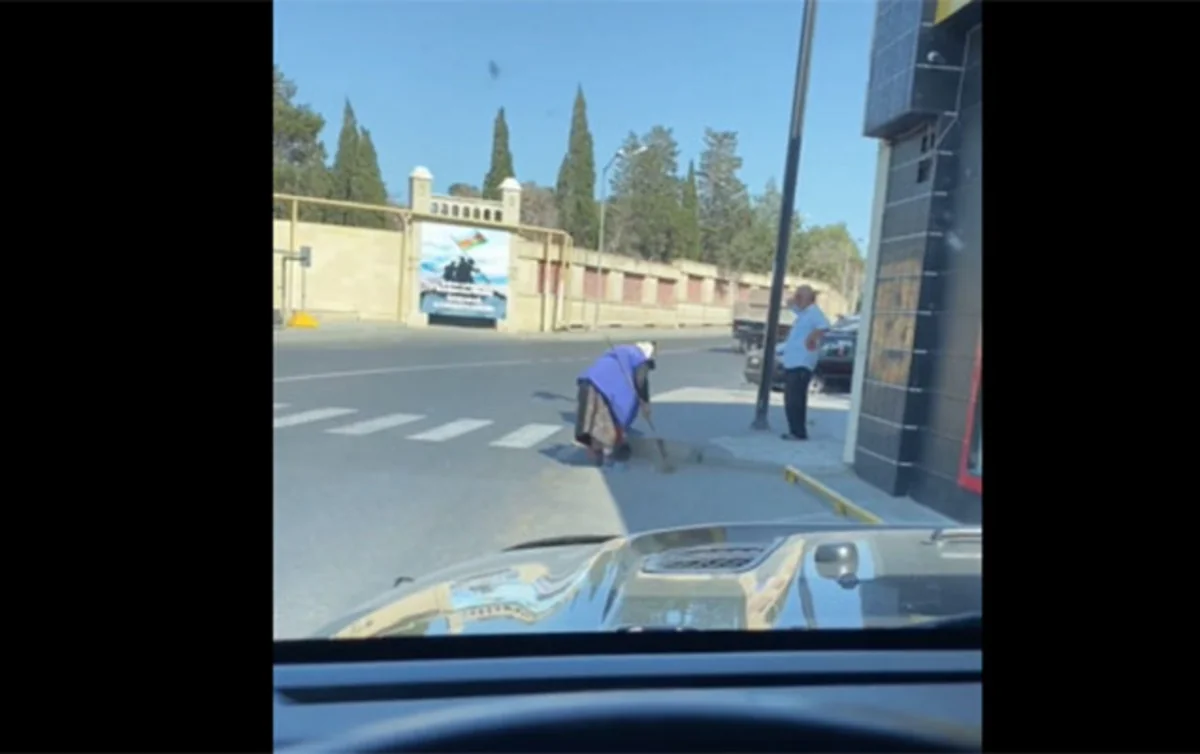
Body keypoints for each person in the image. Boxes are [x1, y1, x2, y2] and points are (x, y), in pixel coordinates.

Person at [575, 341, 657, 465]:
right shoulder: (639, 358)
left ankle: (595, 455)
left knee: (591, 423)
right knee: (605, 425)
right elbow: (640, 380)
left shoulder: (619, 353)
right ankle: (606, 457)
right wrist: (644, 403)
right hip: (601, 389)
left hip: (587, 382)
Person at [778, 285, 830, 441]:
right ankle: (795, 430)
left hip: (802, 363)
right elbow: (790, 304)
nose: (797, 299)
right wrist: (795, 298)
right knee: (791, 398)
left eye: (801, 296)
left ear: (809, 298)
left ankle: (798, 432)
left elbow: (825, 326)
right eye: (797, 296)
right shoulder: (804, 313)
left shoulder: (814, 312)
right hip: (793, 361)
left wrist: (811, 337)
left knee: (795, 399)